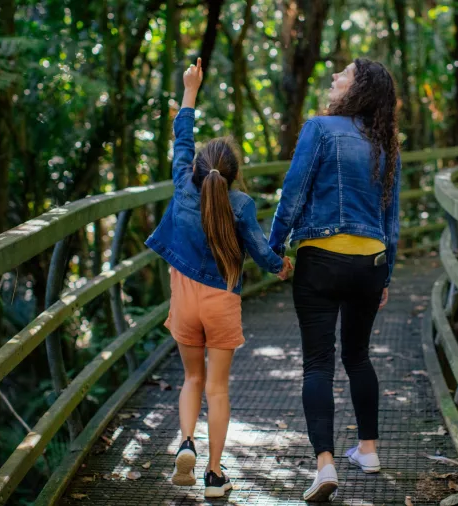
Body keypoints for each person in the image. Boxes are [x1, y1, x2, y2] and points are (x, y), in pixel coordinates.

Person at [145, 58, 293, 498]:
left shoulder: (181, 184)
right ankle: (213, 475)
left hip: (184, 298)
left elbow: (181, 138)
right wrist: (282, 266)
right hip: (221, 300)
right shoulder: (241, 205)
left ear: (195, 168)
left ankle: (186, 442)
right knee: (218, 388)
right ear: (231, 176)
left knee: (191, 379)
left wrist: (191, 90)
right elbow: (264, 254)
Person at [268, 58, 401, 502]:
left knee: (318, 363)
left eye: (341, 74)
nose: (333, 78)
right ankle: (368, 450)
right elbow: (391, 219)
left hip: (320, 260)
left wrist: (274, 248)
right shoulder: (385, 142)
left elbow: (294, 191)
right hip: (370, 263)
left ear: (357, 86)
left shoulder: (320, 129)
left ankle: (324, 465)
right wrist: (388, 273)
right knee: (358, 357)